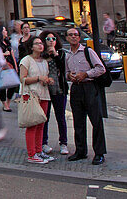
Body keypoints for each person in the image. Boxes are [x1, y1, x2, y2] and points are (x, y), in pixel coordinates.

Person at [65, 26, 106, 165]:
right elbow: (66, 73)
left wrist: (86, 74)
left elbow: (101, 68)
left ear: (79, 37)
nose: (74, 37)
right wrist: (69, 76)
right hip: (76, 88)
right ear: (67, 38)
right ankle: (80, 151)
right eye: (70, 35)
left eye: (76, 35)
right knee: (78, 122)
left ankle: (99, 153)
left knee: (96, 121)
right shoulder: (68, 55)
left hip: (89, 87)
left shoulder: (88, 52)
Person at [19, 36, 54, 164]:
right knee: (32, 124)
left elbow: (45, 76)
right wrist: (39, 78)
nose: (40, 45)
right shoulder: (26, 60)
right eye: (37, 43)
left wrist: (47, 80)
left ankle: (39, 151)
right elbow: (23, 79)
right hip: (31, 94)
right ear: (31, 47)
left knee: (41, 123)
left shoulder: (44, 61)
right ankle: (31, 153)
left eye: (41, 43)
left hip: (43, 93)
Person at [41, 30, 70, 155]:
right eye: (48, 39)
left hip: (59, 88)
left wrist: (55, 55)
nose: (51, 41)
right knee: (44, 117)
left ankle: (63, 143)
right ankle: (44, 142)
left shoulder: (61, 53)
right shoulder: (41, 55)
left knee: (60, 117)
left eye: (53, 39)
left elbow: (64, 68)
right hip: (45, 89)